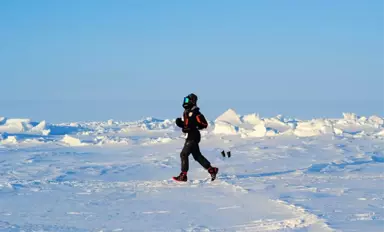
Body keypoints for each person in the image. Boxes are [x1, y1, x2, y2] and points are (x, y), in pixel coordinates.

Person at [173, 93, 219, 182]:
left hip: (193, 136)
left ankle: (183, 175)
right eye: (184, 100)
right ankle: (211, 169)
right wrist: (180, 124)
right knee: (197, 156)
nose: (185, 102)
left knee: (184, 154)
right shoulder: (186, 113)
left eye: (187, 100)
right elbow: (187, 126)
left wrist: (193, 127)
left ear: (192, 101)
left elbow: (204, 124)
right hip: (190, 136)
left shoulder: (195, 113)